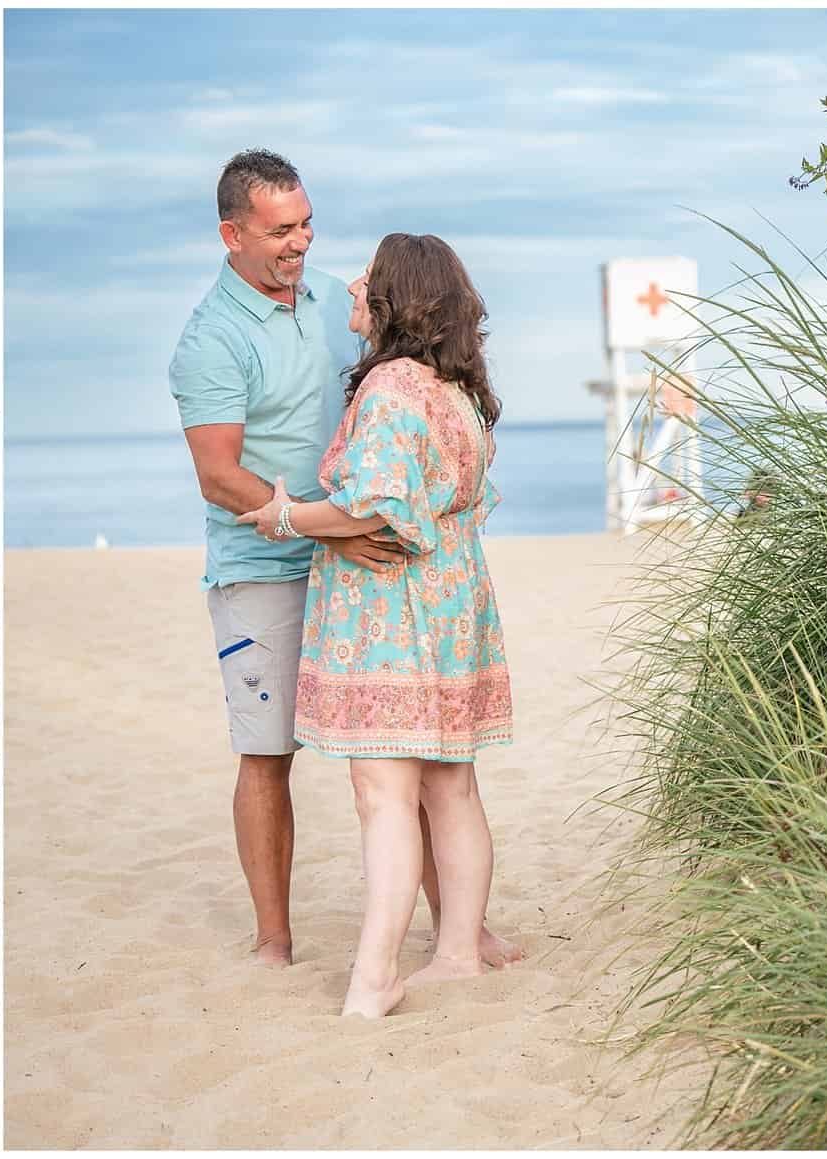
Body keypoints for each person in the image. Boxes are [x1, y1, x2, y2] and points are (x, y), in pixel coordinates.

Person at [171, 150, 520, 972]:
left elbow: (414, 393)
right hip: (266, 559)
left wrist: (364, 522)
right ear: (233, 233)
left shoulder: (345, 300)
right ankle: (274, 939)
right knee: (267, 749)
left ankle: (460, 930)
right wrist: (331, 527)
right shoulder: (210, 338)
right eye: (280, 230)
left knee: (416, 752)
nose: (301, 242)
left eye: (306, 223)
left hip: (369, 564)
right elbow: (219, 475)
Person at [235, 233, 515, 1018]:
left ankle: (375, 974)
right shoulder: (453, 388)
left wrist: (287, 514)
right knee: (450, 783)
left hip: (396, 608)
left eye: (365, 282)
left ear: (395, 297)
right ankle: (458, 949)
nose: (349, 290)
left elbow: (374, 506)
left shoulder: (393, 385)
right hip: (455, 597)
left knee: (383, 792)